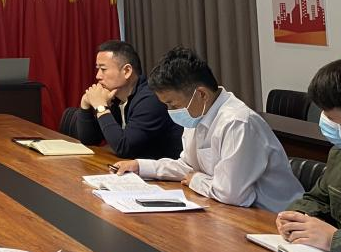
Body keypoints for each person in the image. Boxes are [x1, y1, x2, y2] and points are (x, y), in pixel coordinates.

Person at [114, 46, 302, 211]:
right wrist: (140, 166)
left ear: (201, 94)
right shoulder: (197, 115)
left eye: (173, 104)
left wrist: (196, 179)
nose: (170, 111)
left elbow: (231, 194)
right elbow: (187, 166)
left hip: (272, 218)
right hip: (232, 211)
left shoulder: (237, 122)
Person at [275, 58, 341, 252]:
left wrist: (333, 239)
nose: (326, 126)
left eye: (332, 120)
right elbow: (318, 199)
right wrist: (297, 217)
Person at [73, 40, 181, 159]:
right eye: (98, 69)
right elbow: (89, 140)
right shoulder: (115, 97)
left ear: (127, 71)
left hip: (164, 169)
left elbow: (124, 147)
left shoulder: (151, 99)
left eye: (103, 69)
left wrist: (101, 107)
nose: (98, 76)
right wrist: (85, 104)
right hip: (133, 166)